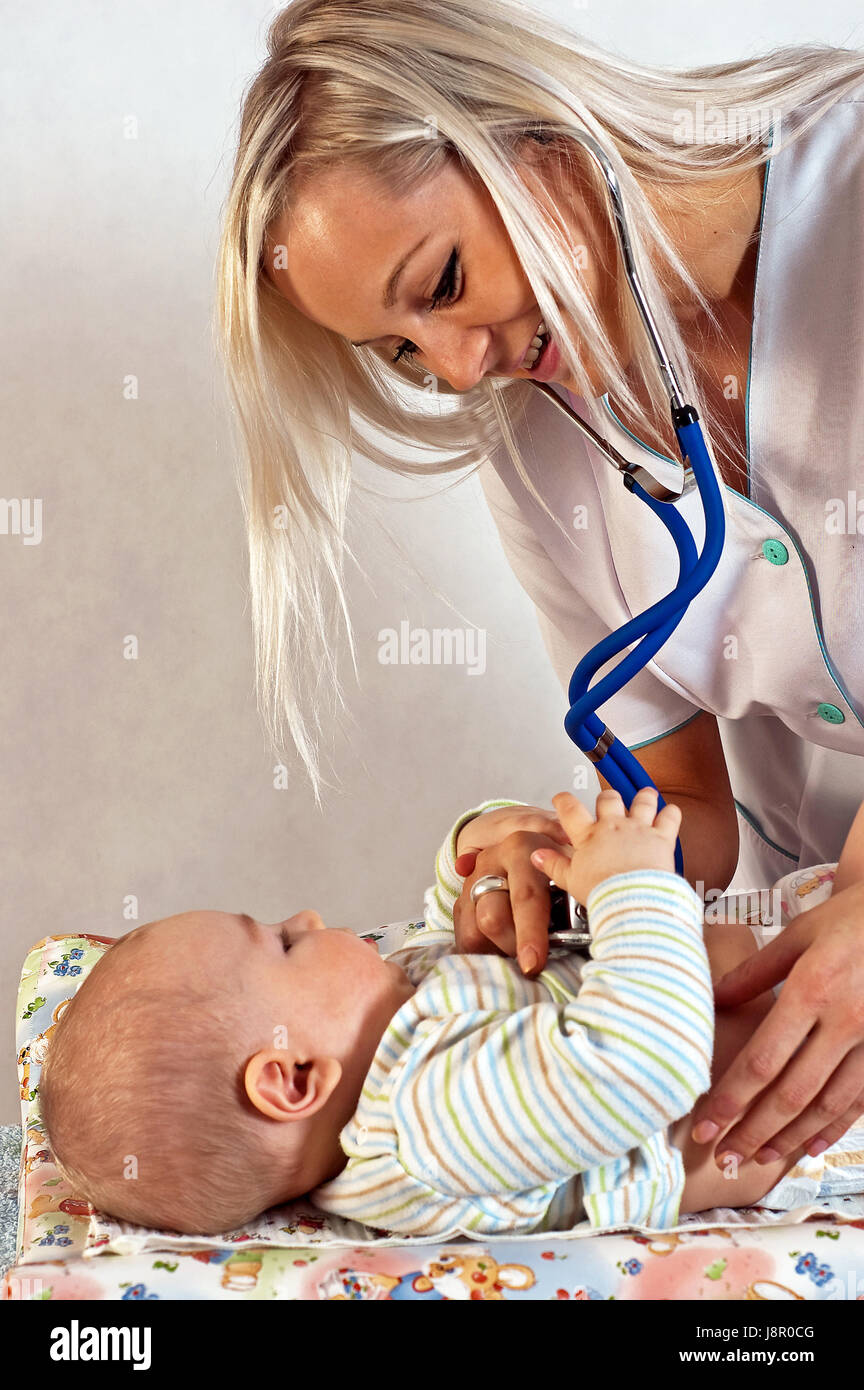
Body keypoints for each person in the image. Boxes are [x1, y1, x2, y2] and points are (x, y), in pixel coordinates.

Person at [214, 1, 864, 1194]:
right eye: (402, 351)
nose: (457, 369)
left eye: (443, 281)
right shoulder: (534, 439)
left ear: (535, 134)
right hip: (808, 965)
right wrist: (585, 858)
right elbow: (686, 807)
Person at [37, 789, 864, 1237]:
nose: (312, 918)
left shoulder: (385, 1035)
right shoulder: (425, 1126)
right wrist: (633, 887)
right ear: (291, 1078)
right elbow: (646, 1064)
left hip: (803, 939)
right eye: (285, 944)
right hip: (834, 1089)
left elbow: (453, 927)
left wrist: (485, 848)